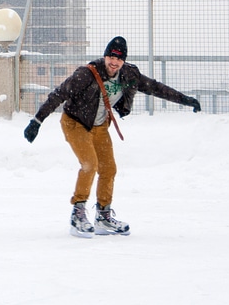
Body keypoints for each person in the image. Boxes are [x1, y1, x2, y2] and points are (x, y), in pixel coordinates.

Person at [23, 36, 201, 238]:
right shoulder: (86, 74)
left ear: (123, 60)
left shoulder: (129, 74)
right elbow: (58, 94)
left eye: (118, 59)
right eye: (110, 57)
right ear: (105, 56)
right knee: (90, 164)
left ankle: (103, 215)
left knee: (109, 168)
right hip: (75, 122)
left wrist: (185, 100)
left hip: (99, 126)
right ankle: (78, 213)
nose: (114, 62)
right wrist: (37, 121)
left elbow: (156, 88)